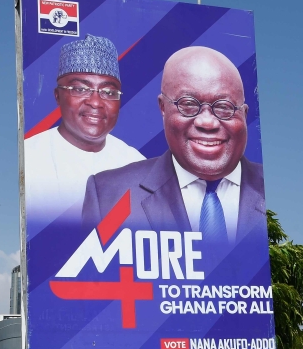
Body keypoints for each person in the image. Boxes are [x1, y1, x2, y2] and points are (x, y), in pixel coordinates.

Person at [81, 46, 266, 246]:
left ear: (245, 115)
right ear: (163, 107)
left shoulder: (273, 191)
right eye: (188, 104)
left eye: (224, 107)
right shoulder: (108, 195)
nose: (207, 122)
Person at [24, 34, 144, 233]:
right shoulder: (28, 158)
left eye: (108, 92)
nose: (95, 102)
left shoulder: (137, 164)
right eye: (80, 89)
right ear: (58, 96)